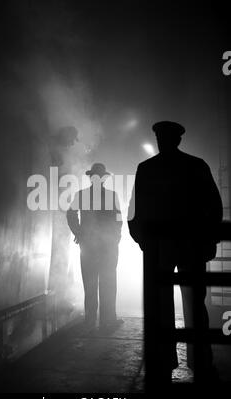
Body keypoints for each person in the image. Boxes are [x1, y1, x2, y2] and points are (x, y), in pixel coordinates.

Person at [128, 121, 223, 383]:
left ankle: (163, 362)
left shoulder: (146, 169)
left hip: (160, 249)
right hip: (191, 246)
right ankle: (201, 363)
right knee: (195, 305)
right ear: (178, 140)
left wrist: (144, 242)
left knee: (160, 306)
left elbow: (134, 212)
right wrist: (208, 240)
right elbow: (214, 207)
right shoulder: (196, 166)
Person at [67, 163, 123, 332]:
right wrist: (115, 237)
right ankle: (108, 320)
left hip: (90, 246)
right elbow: (118, 219)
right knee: (107, 283)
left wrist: (79, 233)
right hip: (106, 247)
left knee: (91, 283)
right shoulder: (112, 196)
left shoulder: (82, 195)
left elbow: (70, 214)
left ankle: (91, 320)